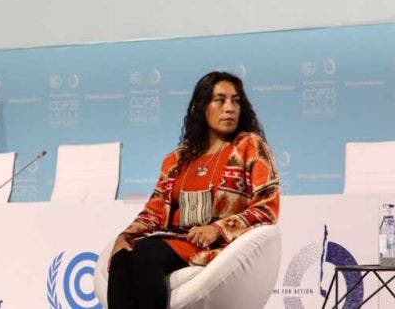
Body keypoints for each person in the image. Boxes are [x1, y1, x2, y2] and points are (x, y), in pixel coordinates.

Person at [107, 71, 280, 309]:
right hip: (173, 240)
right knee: (121, 258)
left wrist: (218, 229)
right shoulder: (177, 159)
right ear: (202, 107)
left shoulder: (250, 146)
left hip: (216, 246)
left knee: (147, 253)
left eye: (236, 100)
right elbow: (154, 211)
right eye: (220, 100)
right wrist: (125, 236)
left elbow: (266, 208)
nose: (229, 108)